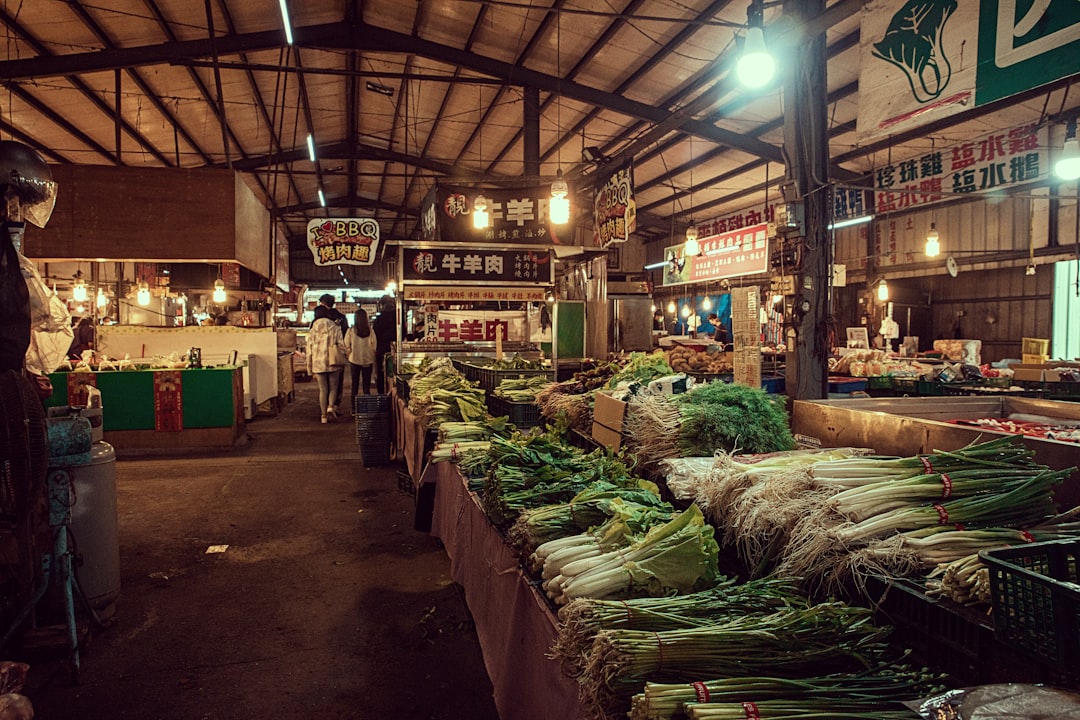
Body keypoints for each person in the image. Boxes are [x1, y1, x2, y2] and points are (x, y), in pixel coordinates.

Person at [306, 305, 347, 424]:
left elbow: (309, 349)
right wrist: (345, 354)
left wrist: (309, 368)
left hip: (318, 363)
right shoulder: (335, 326)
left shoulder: (313, 328)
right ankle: (330, 407)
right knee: (333, 387)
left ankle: (323, 416)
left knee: (323, 389)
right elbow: (341, 344)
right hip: (333, 361)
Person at [318, 294, 349, 410]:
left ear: (323, 303)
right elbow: (344, 337)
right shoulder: (341, 317)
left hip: (320, 356)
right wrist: (345, 352)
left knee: (323, 386)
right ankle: (334, 405)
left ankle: (324, 407)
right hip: (336, 355)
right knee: (336, 383)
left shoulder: (318, 319)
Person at [344, 307, 376, 404]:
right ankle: (367, 407)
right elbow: (374, 345)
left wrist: (349, 353)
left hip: (354, 360)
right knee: (366, 386)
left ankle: (354, 408)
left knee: (355, 385)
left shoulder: (351, 331)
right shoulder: (370, 331)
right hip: (368, 360)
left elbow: (346, 344)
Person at [371, 295, 396, 395]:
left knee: (381, 373)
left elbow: (374, 335)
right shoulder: (398, 317)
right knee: (394, 372)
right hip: (395, 349)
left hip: (381, 349)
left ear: (381, 305)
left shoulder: (379, 319)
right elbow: (403, 333)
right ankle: (394, 394)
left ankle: (382, 396)